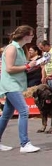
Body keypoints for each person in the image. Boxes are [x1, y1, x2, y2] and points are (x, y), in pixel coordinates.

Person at [0, 25, 41, 153]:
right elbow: (9, 68)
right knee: (24, 111)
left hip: (15, 84)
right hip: (11, 85)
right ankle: (25, 143)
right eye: (31, 34)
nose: (33, 37)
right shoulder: (12, 48)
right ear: (25, 35)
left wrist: (34, 64)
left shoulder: (21, 49)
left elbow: (23, 67)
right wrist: (28, 65)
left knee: (6, 114)